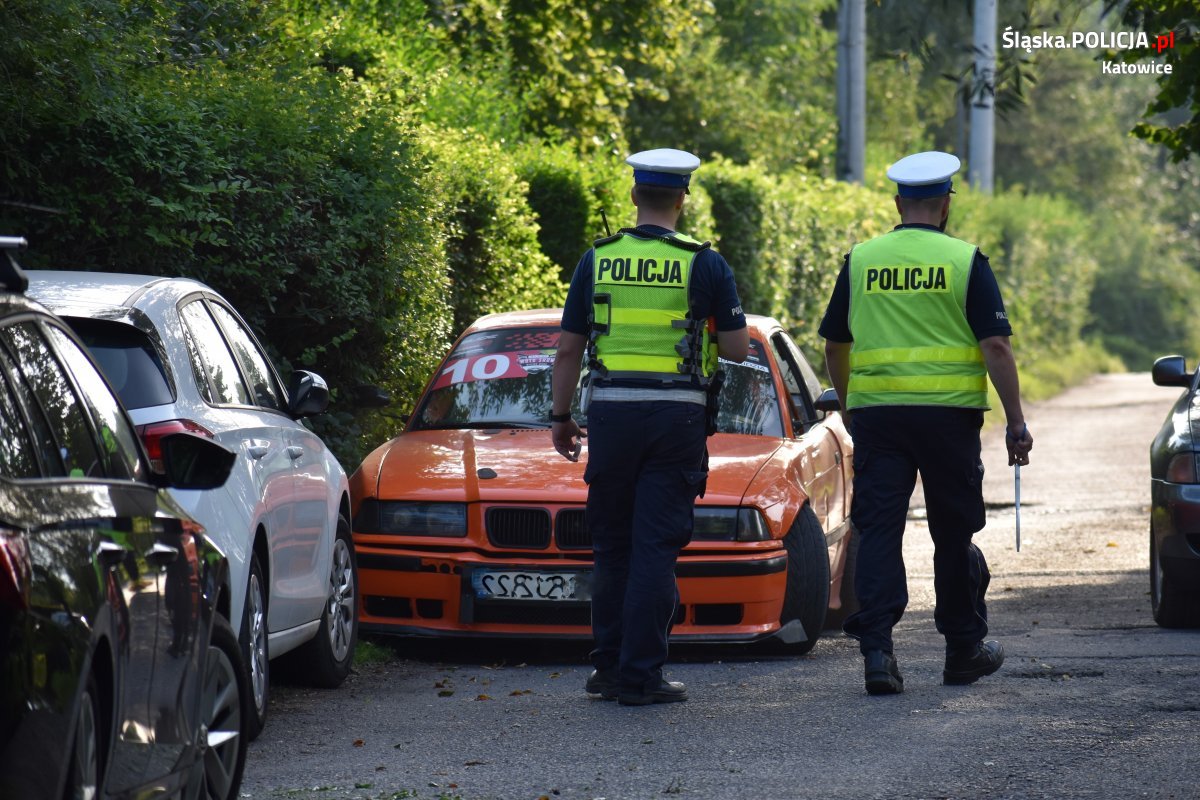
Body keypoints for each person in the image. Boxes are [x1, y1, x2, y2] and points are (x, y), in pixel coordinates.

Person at [819, 151, 1034, 696]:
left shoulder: (862, 259)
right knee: (952, 532)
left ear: (898, 204)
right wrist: (1016, 420)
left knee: (880, 530)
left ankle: (877, 655)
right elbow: (996, 346)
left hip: (878, 421)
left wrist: (849, 404)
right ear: (944, 206)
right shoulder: (965, 260)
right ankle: (963, 650)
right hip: (948, 419)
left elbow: (835, 343)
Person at [550, 148, 749, 706]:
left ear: (635, 196)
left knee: (612, 548)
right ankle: (643, 676)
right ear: (683, 199)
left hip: (610, 415)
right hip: (676, 418)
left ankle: (608, 670)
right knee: (656, 548)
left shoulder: (598, 258)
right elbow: (734, 348)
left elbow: (568, 350)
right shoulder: (704, 264)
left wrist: (561, 419)